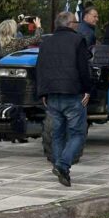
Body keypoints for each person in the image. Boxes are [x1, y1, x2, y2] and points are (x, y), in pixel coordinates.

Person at [36, 11, 91, 187]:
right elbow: (83, 68)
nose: (77, 25)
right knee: (77, 134)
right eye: (76, 22)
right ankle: (62, 164)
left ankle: (60, 168)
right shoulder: (78, 40)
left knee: (58, 134)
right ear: (69, 24)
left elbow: (40, 68)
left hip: (52, 94)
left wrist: (42, 93)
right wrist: (88, 90)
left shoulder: (46, 42)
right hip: (72, 93)